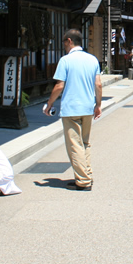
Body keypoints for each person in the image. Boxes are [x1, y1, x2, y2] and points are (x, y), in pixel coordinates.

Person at [45, 29, 102, 191]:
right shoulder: (92, 60)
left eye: (64, 42)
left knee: (74, 145)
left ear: (69, 41)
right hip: (87, 107)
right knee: (84, 143)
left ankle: (83, 180)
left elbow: (59, 85)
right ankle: (86, 174)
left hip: (71, 108)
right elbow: (98, 84)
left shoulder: (66, 60)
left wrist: (49, 104)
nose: (64, 46)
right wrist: (98, 105)